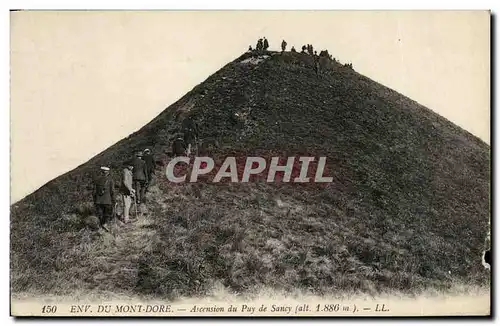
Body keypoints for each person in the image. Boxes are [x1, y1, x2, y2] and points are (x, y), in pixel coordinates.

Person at [93, 166, 115, 231]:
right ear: (108, 172)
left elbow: (94, 191)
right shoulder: (110, 180)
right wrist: (114, 200)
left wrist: (95, 200)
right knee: (108, 213)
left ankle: (99, 226)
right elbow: (112, 191)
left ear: (102, 172)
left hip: (98, 200)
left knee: (100, 214)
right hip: (107, 200)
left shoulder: (97, 180)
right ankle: (105, 224)